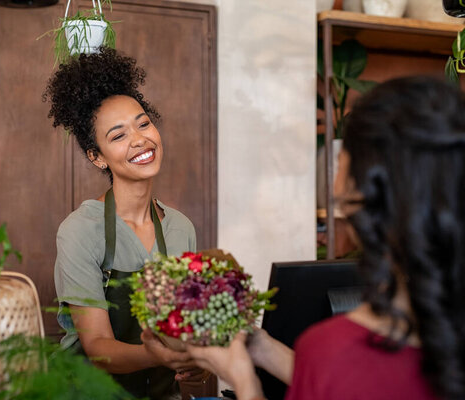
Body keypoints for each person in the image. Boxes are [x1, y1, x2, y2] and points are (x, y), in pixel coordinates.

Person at [187, 76, 465, 400]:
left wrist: (243, 379)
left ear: (360, 187)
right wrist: (263, 349)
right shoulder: (334, 357)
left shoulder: (334, 351)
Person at [45, 48, 199, 399]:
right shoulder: (80, 231)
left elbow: (184, 326)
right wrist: (157, 354)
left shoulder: (180, 228)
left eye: (143, 123)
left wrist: (196, 355)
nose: (140, 139)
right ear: (97, 157)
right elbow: (97, 348)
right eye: (118, 135)